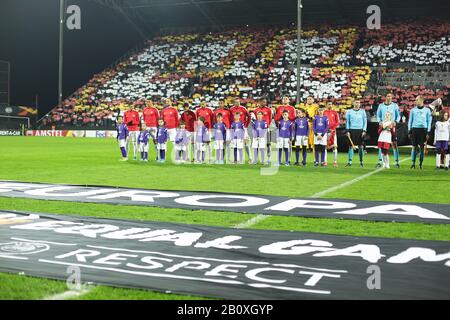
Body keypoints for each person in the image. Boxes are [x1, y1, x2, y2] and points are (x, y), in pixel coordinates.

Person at [376, 93, 401, 168]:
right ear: (385, 97)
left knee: (394, 144)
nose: (389, 97)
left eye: (390, 96)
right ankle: (381, 161)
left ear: (392, 97)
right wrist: (380, 122)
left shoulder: (395, 106)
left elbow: (398, 115)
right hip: (383, 127)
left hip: (391, 127)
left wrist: (395, 122)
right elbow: (378, 116)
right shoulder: (381, 106)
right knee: (382, 144)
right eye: (387, 96)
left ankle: (396, 162)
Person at [408, 95, 432, 169]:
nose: (415, 101)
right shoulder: (412, 110)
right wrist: (409, 131)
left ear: (421, 100)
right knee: (414, 147)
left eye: (417, 99)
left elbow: (429, 121)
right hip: (415, 129)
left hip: (423, 130)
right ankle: (413, 163)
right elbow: (410, 121)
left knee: (422, 147)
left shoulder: (427, 110)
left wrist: (428, 132)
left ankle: (420, 163)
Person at [345, 100, 367, 167]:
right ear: (353, 103)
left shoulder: (362, 111)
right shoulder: (349, 111)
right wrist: (348, 131)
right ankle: (350, 161)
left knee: (360, 146)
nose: (357, 104)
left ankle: (361, 161)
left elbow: (365, 121)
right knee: (350, 146)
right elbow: (347, 122)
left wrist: (364, 130)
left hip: (360, 130)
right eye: (356, 102)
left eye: (358, 102)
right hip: (352, 130)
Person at [230, 98, 252, 163]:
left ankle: (250, 158)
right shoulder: (231, 109)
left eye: (238, 102)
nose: (237, 103)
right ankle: (236, 159)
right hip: (235, 128)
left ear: (240, 102)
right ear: (234, 103)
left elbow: (249, 116)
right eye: (236, 102)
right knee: (236, 144)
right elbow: (229, 118)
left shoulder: (243, 109)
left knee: (246, 143)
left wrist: (246, 125)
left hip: (243, 128)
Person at [253, 99, 274, 164]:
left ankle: (268, 158)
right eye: (263, 102)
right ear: (259, 102)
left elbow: (270, 119)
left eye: (265, 102)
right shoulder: (255, 110)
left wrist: (267, 126)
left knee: (268, 144)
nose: (264, 103)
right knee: (256, 144)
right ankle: (256, 159)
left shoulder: (269, 110)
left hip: (265, 129)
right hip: (257, 129)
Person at [324, 101, 340, 167]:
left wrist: (332, 128)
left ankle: (335, 161)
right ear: (326, 105)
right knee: (325, 146)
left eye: (331, 104)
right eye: (328, 104)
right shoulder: (324, 112)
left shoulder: (335, 112)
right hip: (325, 132)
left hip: (333, 132)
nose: (330, 105)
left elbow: (337, 122)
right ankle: (325, 162)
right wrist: (326, 129)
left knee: (334, 146)